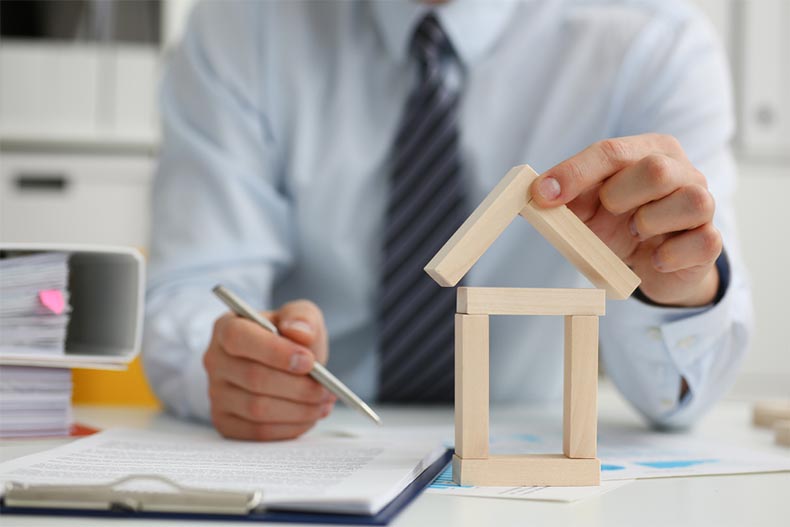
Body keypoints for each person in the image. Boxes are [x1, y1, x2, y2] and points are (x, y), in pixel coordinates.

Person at [143, 0, 752, 441]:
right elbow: (195, 288)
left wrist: (676, 291)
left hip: (531, 447)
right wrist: (231, 363)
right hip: (321, 440)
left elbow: (678, 401)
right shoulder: (241, 24)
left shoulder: (656, 42)